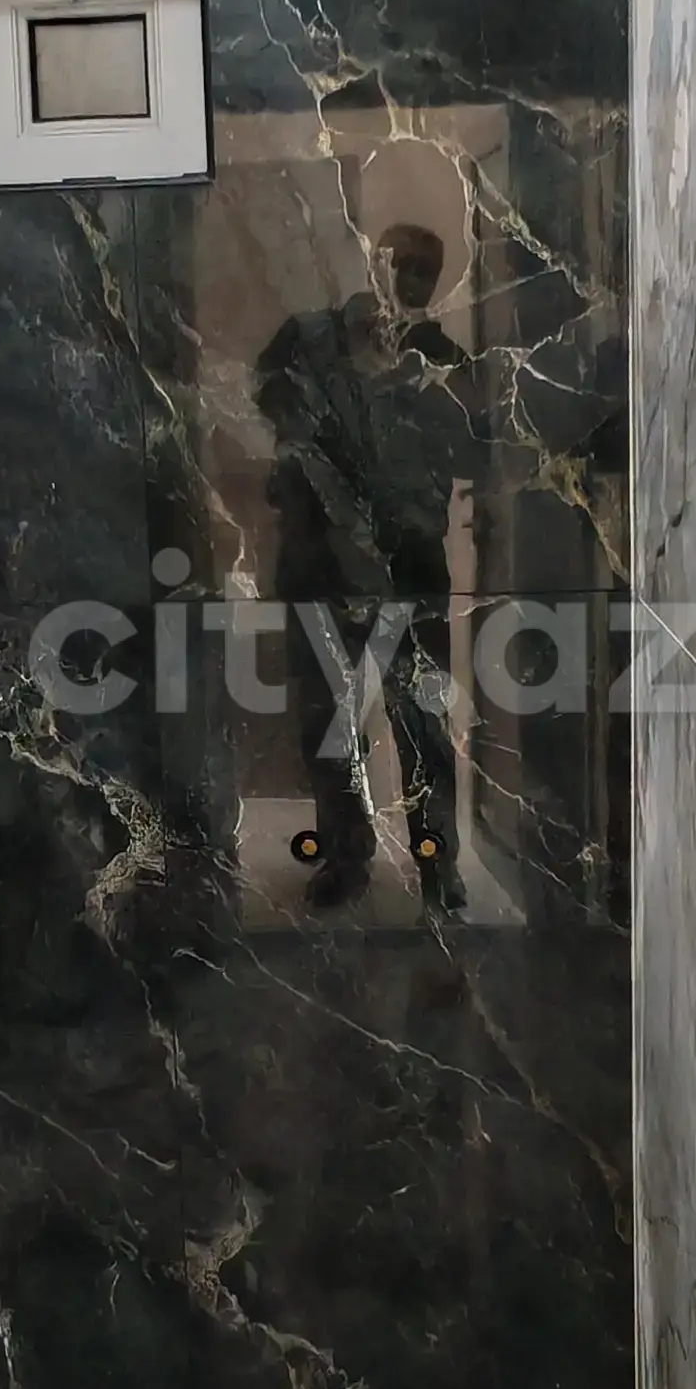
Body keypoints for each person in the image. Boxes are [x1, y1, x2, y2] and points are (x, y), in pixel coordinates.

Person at [254, 222, 480, 915]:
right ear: (376, 264)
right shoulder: (310, 337)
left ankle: (436, 861)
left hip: (408, 569)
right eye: (401, 265)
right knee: (330, 724)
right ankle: (345, 860)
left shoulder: (443, 359)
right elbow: (269, 406)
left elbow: (471, 452)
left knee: (423, 723)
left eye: (425, 271)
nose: (411, 281)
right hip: (323, 564)